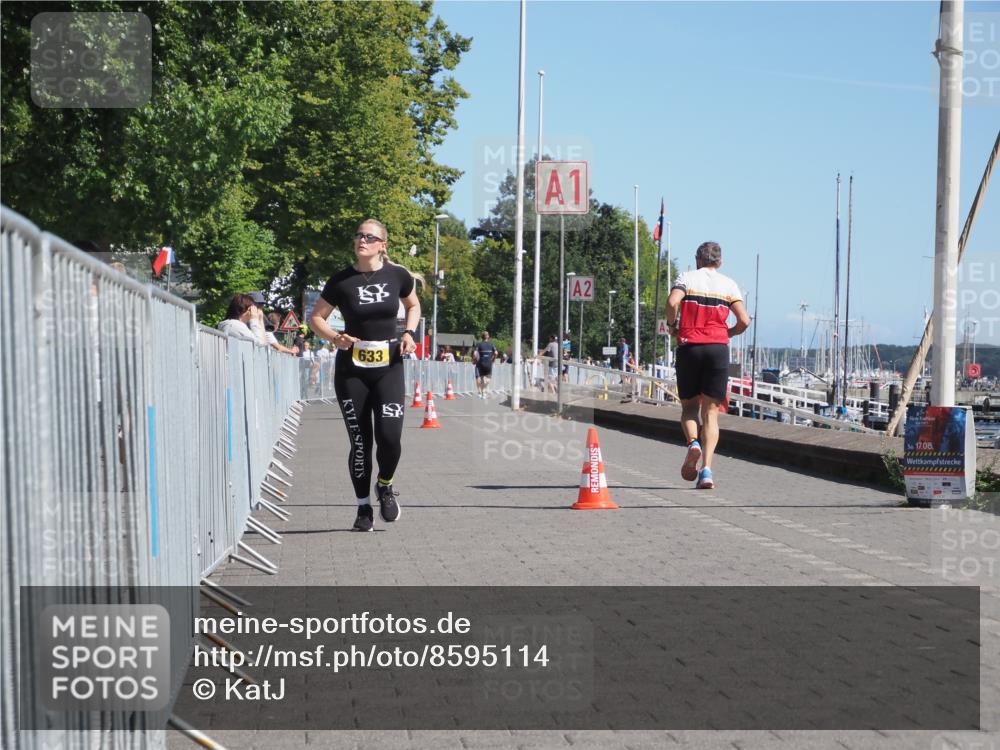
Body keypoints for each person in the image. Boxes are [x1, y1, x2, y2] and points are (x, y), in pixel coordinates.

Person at [309, 219, 421, 532]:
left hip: (389, 367)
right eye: (358, 235)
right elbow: (316, 317)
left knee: (390, 438)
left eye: (369, 237)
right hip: (352, 371)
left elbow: (413, 305)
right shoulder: (341, 280)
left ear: (383, 244)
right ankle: (362, 509)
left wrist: (409, 333)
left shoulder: (397, 275)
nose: (362, 240)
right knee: (360, 444)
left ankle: (385, 484)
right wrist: (335, 337)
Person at [665, 241, 750, 489]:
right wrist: (728, 333)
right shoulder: (729, 284)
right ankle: (707, 471)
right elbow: (744, 320)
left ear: (698, 259)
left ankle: (693, 443)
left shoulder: (687, 277)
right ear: (719, 262)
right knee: (711, 414)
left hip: (690, 346)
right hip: (717, 349)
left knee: (690, 407)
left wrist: (673, 327)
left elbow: (672, 303)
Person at [473, 331, 498, 399]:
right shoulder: (491, 344)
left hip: (480, 363)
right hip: (488, 363)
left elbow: (475, 354)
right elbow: (496, 353)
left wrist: (474, 360)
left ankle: (479, 392)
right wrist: (493, 359)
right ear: (488, 336)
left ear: (482, 337)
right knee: (488, 378)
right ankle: (484, 391)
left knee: (478, 378)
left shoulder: (479, 344)